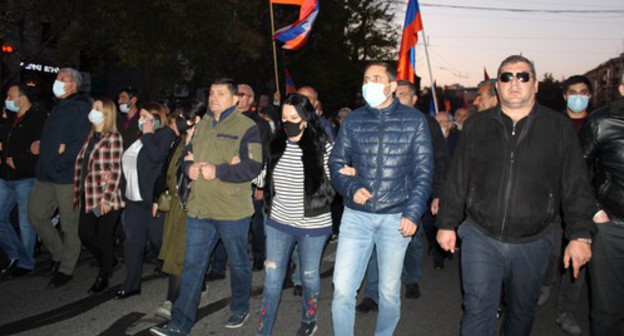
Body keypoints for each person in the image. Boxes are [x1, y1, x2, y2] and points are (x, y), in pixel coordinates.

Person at [436, 55, 597, 336]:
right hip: (480, 237)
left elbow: (576, 185)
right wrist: (447, 223)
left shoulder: (557, 127)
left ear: (535, 85)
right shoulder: (477, 125)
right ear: (497, 86)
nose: (514, 82)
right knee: (477, 311)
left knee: (521, 314)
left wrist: (580, 235)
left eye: (522, 76)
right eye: (506, 77)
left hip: (533, 242)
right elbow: (458, 177)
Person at [149, 78, 262, 336]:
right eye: (211, 93)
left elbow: (254, 166)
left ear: (235, 99)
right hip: (199, 209)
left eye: (220, 93)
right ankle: (180, 323)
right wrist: (189, 169)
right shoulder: (201, 125)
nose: (213, 97)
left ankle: (240, 306)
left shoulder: (248, 127)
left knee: (238, 264)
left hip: (232, 211)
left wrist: (219, 170)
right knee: (193, 267)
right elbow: (186, 157)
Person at [329, 62, 433, 336]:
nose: (369, 84)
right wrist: (351, 186)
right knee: (342, 289)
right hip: (356, 216)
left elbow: (424, 172)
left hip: (395, 218)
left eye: (376, 78)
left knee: (388, 293)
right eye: (366, 79)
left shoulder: (414, 121)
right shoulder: (353, 120)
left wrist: (413, 212)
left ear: (392, 86)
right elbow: (336, 162)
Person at [357, 79, 449, 314]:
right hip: (384, 196)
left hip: (415, 195)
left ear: (415, 98)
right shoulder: (380, 118)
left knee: (413, 242)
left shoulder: (426, 123)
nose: (399, 99)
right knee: (378, 246)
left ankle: (411, 279)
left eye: (404, 94)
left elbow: (440, 160)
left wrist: (438, 194)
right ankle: (372, 294)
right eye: (395, 94)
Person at [255, 93, 334, 336]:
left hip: (314, 223)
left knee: (309, 276)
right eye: (284, 117)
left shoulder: (322, 146)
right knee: (272, 280)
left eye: (294, 117)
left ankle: (309, 320)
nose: (287, 122)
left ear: (306, 119)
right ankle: (263, 331)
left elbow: (335, 181)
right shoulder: (275, 144)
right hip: (279, 222)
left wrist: (348, 175)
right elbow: (264, 177)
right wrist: (252, 172)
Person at [536, 74, 594, 335]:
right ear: (565, 95)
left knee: (578, 260)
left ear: (590, 95)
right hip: (552, 202)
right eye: (573, 91)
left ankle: (565, 311)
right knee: (551, 253)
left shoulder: (598, 123)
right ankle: (546, 283)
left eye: (583, 92)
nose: (578, 96)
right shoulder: (553, 124)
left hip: (589, 205)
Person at [28, 68, 91, 288]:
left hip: (66, 177)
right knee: (35, 215)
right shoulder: (58, 108)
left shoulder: (81, 108)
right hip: (45, 175)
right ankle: (58, 254)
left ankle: (66, 268)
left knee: (69, 225)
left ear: (73, 84)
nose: (57, 82)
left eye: (61, 79)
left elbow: (78, 144)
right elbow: (56, 140)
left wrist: (59, 161)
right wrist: (41, 147)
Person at [579, 74, 624, 336]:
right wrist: (594, 209)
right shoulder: (601, 121)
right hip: (613, 229)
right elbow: (575, 171)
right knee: (608, 312)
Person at [116, 102, 176, 299]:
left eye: (146, 117)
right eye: (140, 117)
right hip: (133, 200)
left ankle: (180, 271)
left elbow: (157, 156)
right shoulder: (138, 138)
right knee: (133, 243)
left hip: (153, 201)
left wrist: (149, 134)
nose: (141, 121)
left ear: (157, 118)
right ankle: (131, 284)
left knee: (159, 241)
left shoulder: (165, 135)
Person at [154, 99, 206, 320]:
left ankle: (171, 301)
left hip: (192, 206)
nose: (180, 121)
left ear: (198, 119)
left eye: (185, 117)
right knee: (177, 252)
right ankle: (198, 281)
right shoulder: (178, 141)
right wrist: (158, 197)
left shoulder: (205, 143)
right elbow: (167, 171)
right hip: (175, 204)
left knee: (177, 255)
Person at [74, 98, 124, 294]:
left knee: (103, 235)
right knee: (85, 233)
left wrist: (107, 199)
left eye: (97, 109)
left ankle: (104, 275)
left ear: (107, 114)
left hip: (106, 198)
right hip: (90, 195)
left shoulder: (113, 137)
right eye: (93, 108)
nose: (92, 111)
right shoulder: (92, 136)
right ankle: (109, 260)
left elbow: (115, 170)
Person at [0, 84, 46, 277]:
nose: (7, 99)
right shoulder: (10, 119)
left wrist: (18, 161)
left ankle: (26, 263)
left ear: (22, 98)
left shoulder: (37, 118)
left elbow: (38, 149)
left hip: (25, 178)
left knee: (26, 223)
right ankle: (15, 254)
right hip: (5, 176)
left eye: (10, 96)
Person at [238, 84, 272, 271]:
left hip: (252, 181)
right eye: (236, 93)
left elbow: (264, 155)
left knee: (255, 220)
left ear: (251, 99)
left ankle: (259, 256)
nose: (237, 97)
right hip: (231, 178)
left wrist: (261, 185)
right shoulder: (228, 120)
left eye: (242, 94)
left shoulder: (259, 123)